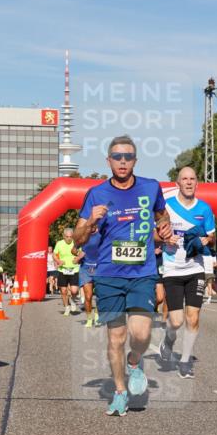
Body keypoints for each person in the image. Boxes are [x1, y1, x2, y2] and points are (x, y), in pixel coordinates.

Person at [73, 135, 172, 417]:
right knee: (115, 338)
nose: (122, 161)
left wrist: (164, 228)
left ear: (135, 161)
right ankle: (119, 392)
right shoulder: (96, 194)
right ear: (108, 161)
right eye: (117, 157)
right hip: (108, 275)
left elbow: (162, 217)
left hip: (142, 272)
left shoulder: (151, 188)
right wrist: (91, 221)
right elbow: (78, 240)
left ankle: (135, 360)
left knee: (141, 334)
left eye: (128, 157)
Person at [158, 167, 216, 378]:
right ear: (177, 184)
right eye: (185, 179)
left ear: (197, 183)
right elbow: (154, 235)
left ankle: (185, 361)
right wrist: (165, 238)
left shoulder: (205, 209)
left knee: (193, 317)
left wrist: (206, 240)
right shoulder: (167, 208)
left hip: (195, 268)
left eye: (192, 179)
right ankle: (167, 341)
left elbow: (213, 237)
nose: (189, 182)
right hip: (173, 269)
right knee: (175, 321)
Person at [54, 228, 81, 316]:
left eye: (70, 236)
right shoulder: (59, 243)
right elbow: (54, 254)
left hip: (74, 269)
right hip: (63, 269)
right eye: (67, 237)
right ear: (63, 236)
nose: (69, 238)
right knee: (63, 290)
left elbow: (81, 253)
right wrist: (58, 261)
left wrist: (77, 258)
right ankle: (66, 307)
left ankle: (72, 301)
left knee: (74, 290)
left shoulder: (76, 243)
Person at [78, 232, 100, 327]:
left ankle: (97, 315)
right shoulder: (84, 235)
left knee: (100, 295)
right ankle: (89, 318)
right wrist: (77, 257)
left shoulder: (102, 234)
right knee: (88, 296)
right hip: (86, 269)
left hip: (100, 268)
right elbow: (74, 249)